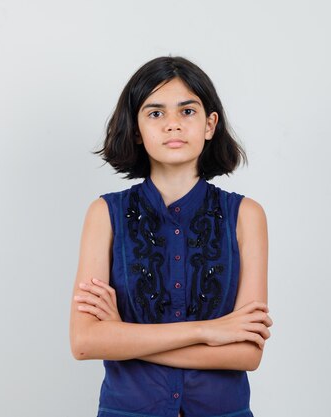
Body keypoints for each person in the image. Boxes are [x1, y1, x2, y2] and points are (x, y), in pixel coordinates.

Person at [69, 56, 273, 417]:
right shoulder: (105, 214)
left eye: (188, 111)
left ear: (210, 124)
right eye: (155, 113)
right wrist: (209, 331)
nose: (173, 125)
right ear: (136, 129)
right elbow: (85, 341)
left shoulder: (245, 216)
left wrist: (121, 337)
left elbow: (246, 353)